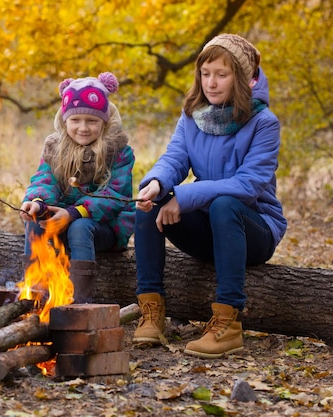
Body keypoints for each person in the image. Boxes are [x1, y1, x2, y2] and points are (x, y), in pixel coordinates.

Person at [133, 34, 287, 358]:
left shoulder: (264, 123)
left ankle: (228, 324)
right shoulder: (192, 114)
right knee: (150, 205)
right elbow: (175, 158)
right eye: (205, 73)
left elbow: (248, 185)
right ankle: (151, 312)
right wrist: (158, 184)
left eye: (222, 74)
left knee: (225, 204)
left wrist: (186, 196)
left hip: (252, 229)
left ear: (241, 79)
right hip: (209, 228)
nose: (211, 83)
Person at [20, 72, 135, 304]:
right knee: (36, 218)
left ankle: (80, 302)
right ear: (65, 121)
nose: (83, 127)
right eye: (75, 120)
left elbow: (115, 196)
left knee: (79, 227)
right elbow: (45, 179)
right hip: (63, 216)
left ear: (104, 122)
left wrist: (73, 213)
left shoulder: (119, 151)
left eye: (92, 121)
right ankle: (34, 294)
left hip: (105, 225)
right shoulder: (55, 147)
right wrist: (37, 201)